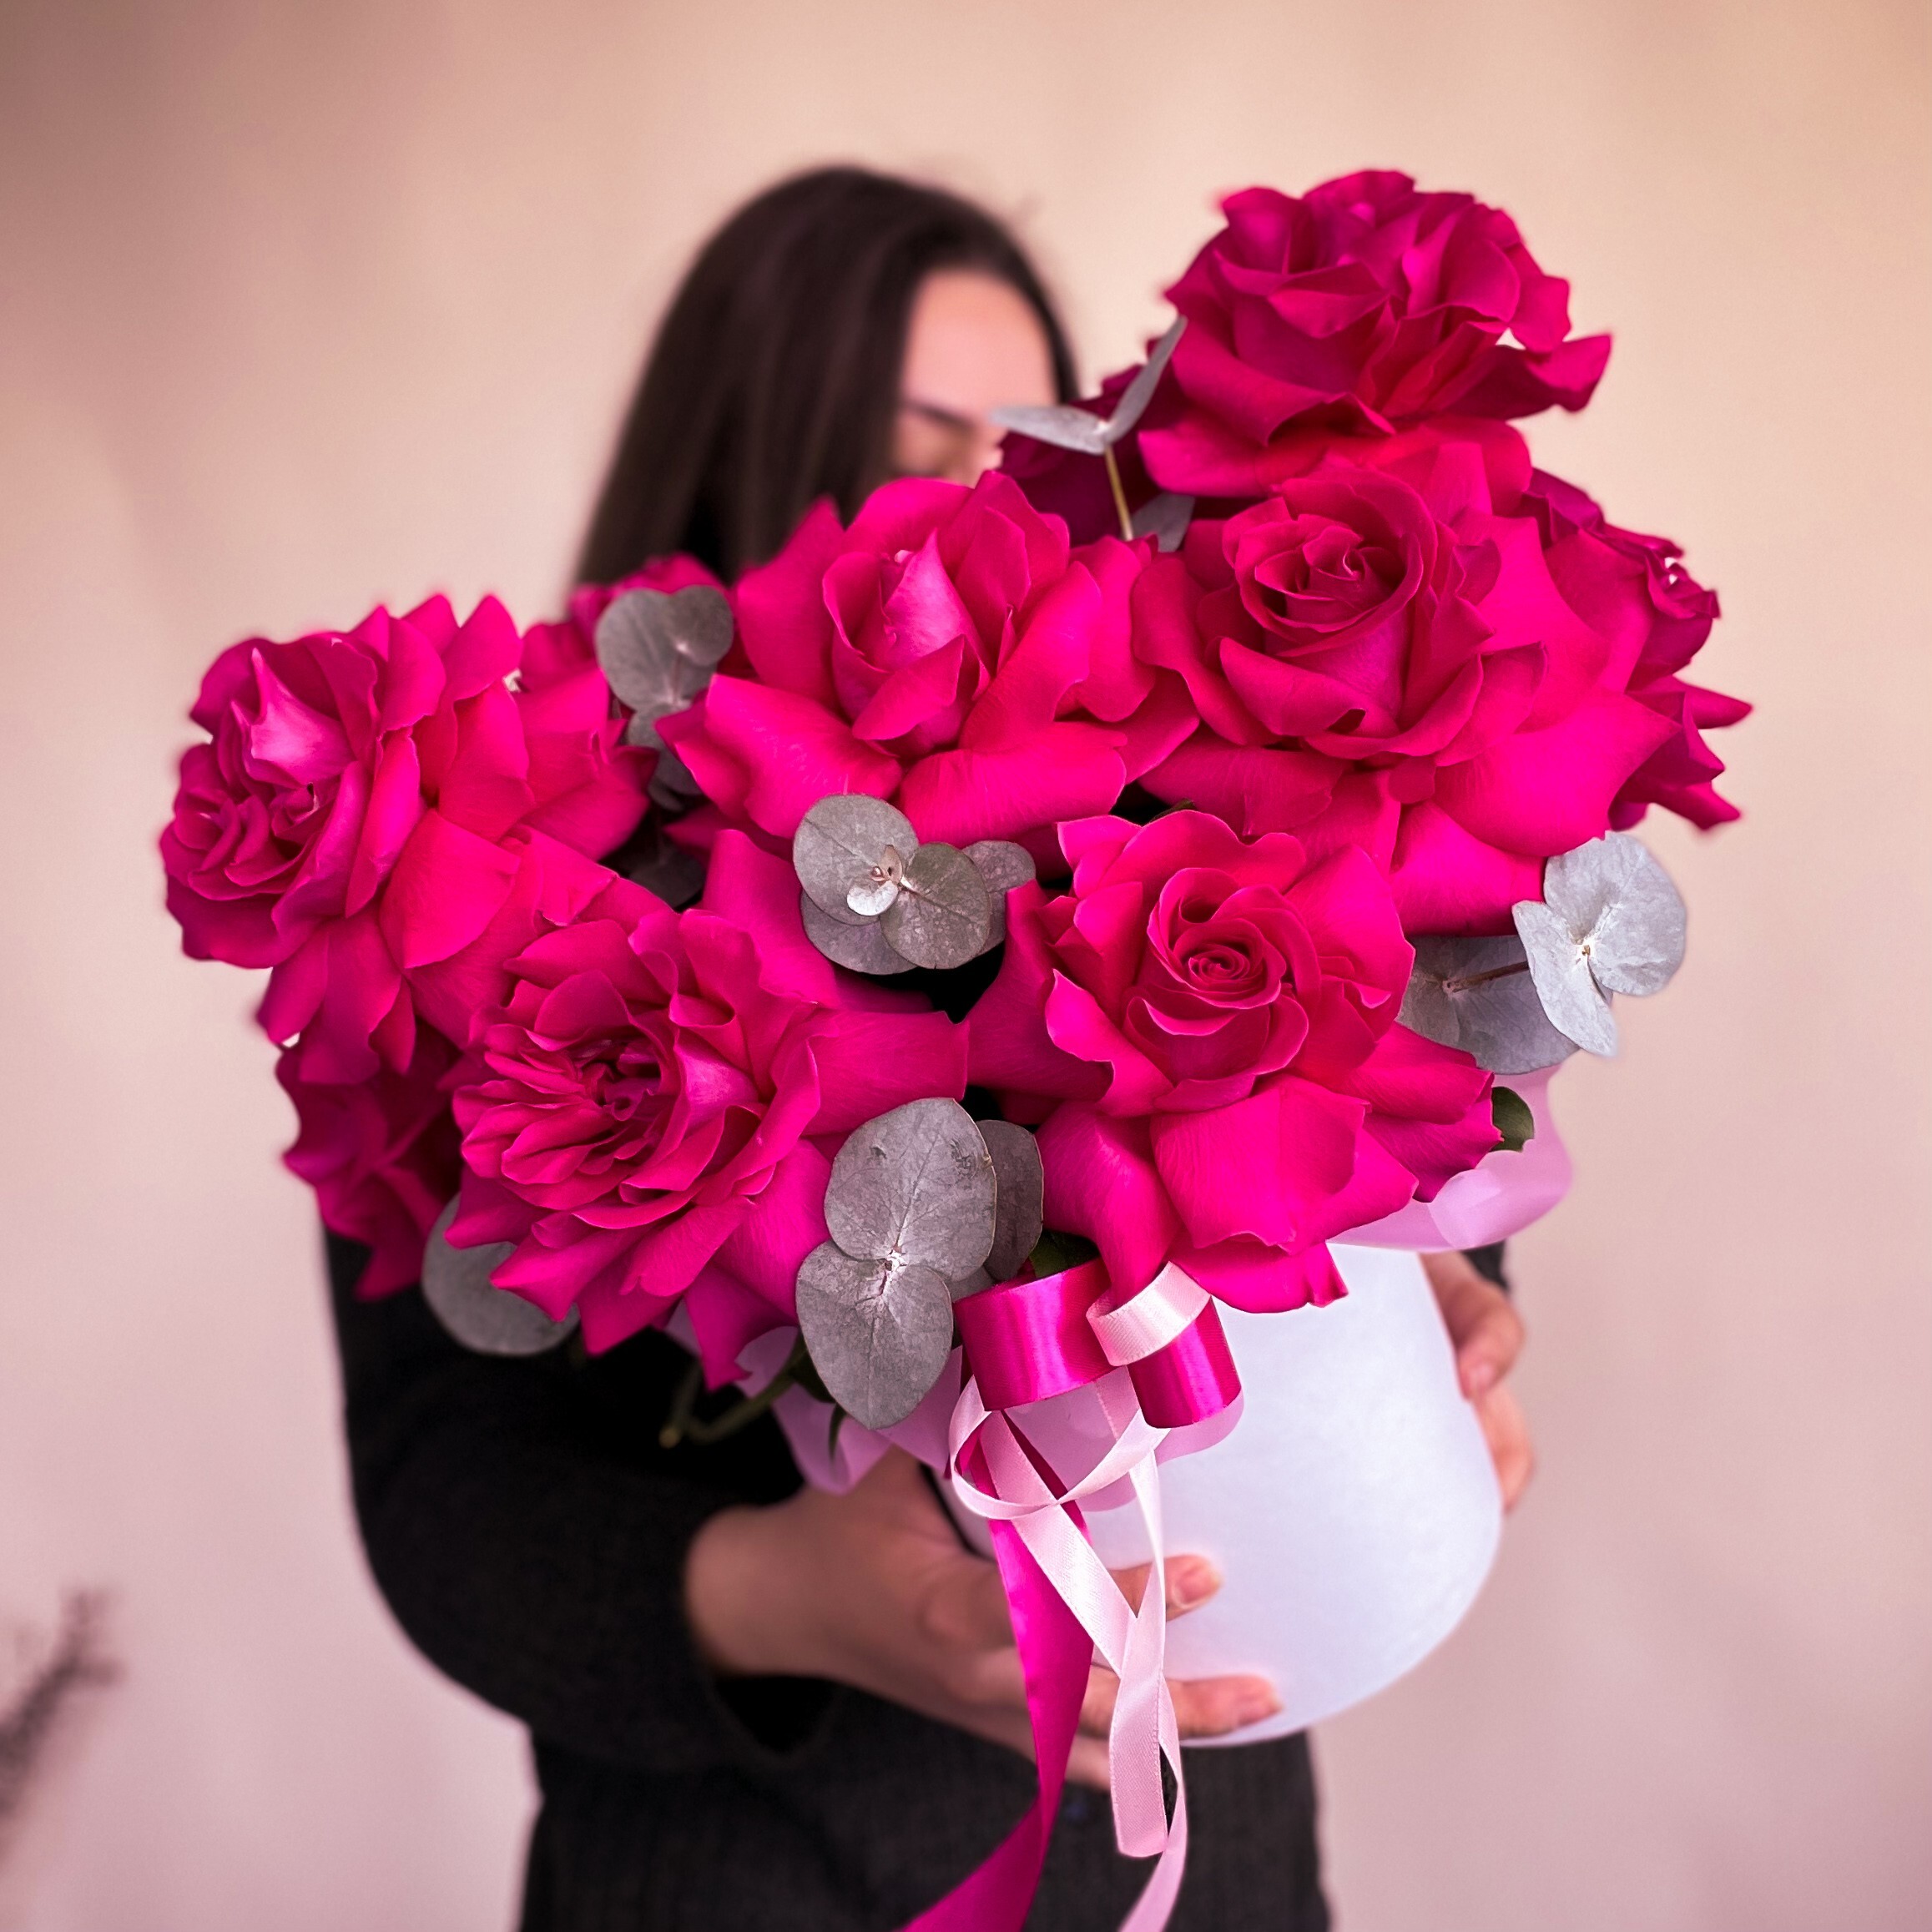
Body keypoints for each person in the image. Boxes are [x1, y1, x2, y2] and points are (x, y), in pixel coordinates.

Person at [328, 164, 1529, 1932]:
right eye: (914, 440)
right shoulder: (501, 896)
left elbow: (1363, 1131)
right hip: (742, 1885)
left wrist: (1443, 1282)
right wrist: (778, 1595)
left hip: (1217, 1869)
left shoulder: (1171, 802)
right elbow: (446, 1499)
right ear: (743, 456)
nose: (976, 496)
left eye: (1022, 441)